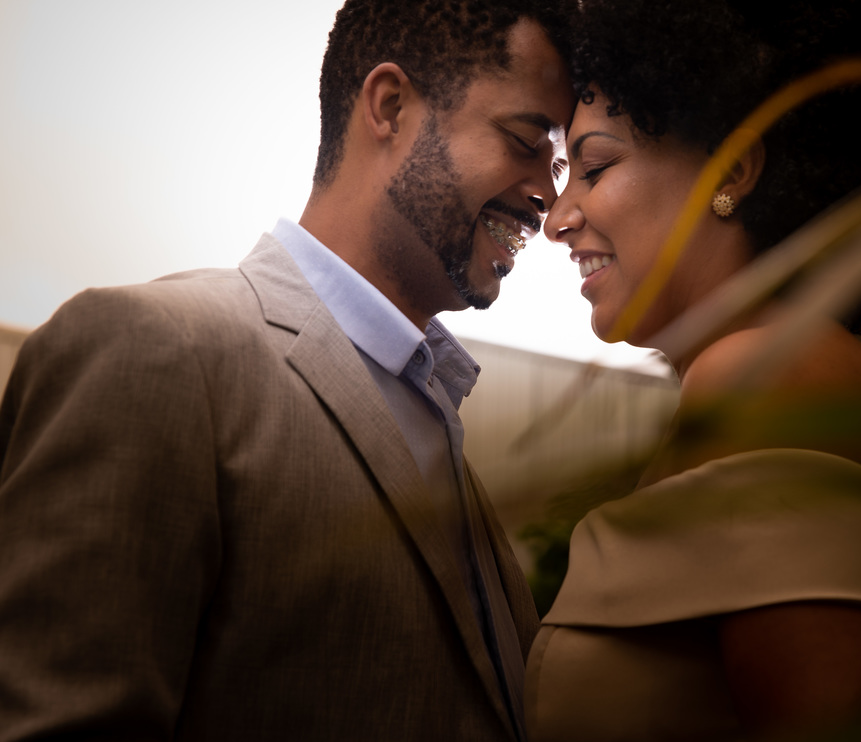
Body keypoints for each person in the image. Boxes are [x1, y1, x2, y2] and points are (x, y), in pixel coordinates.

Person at [0, 0, 574, 739]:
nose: (550, 197)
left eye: (561, 166)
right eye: (526, 142)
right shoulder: (156, 352)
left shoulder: (437, 412)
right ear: (390, 106)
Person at [524, 1, 861, 740]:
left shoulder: (761, 377)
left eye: (594, 167)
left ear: (733, 170)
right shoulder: (771, 372)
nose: (558, 218)